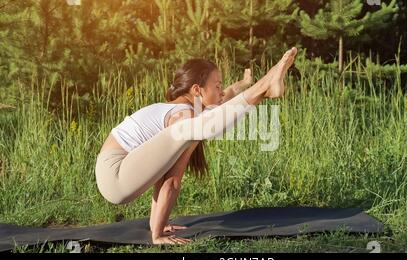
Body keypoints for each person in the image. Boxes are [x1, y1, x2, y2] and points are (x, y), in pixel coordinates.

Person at [95, 47, 298, 245]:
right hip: (116, 174)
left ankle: (264, 87)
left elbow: (220, 101)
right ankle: (265, 86)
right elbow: (171, 182)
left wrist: (242, 84)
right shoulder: (183, 116)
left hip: (115, 174)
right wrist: (157, 234)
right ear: (196, 90)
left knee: (206, 120)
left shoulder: (181, 111)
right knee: (204, 124)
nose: (221, 91)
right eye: (217, 85)